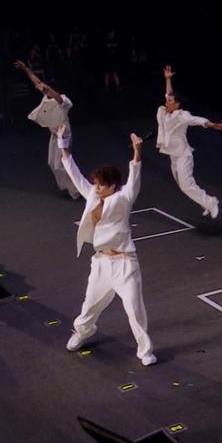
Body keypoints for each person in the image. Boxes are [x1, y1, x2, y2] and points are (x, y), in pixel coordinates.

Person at [59, 126, 156, 366]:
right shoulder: (93, 195)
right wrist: (63, 145)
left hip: (125, 264)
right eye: (95, 183)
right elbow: (74, 172)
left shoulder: (123, 198)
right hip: (101, 263)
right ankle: (83, 332)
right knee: (89, 306)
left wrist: (137, 151)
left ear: (113, 185)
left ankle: (145, 351)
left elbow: (135, 176)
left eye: (101, 184)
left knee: (134, 308)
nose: (96, 187)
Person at [157, 65, 222, 218]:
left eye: (170, 101)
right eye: (167, 100)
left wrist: (211, 124)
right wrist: (168, 79)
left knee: (186, 185)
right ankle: (206, 203)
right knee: (183, 185)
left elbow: (197, 120)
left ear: (177, 105)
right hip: (173, 155)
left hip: (183, 155)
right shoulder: (165, 112)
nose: (167, 102)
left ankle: (211, 202)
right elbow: (169, 93)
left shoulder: (182, 116)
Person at [15, 59, 78, 199]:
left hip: (64, 135)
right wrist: (25, 68)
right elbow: (37, 82)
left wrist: (45, 87)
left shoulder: (63, 100)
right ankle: (68, 187)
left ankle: (75, 191)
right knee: (52, 163)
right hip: (54, 134)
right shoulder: (47, 96)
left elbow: (52, 93)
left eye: (48, 88)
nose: (44, 89)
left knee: (61, 164)